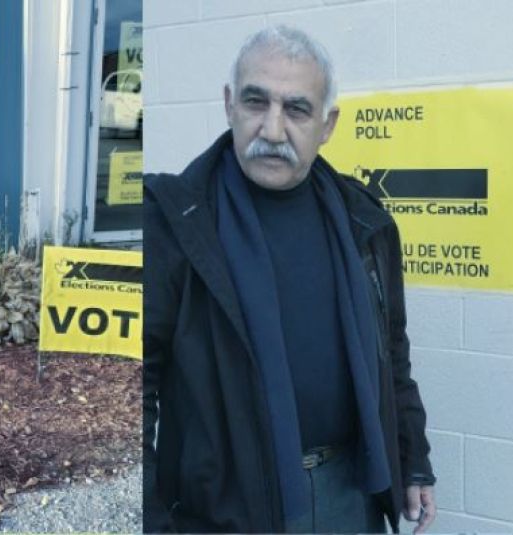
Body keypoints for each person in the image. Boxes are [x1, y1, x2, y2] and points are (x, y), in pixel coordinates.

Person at [143, 25, 436, 533]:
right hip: (227, 508)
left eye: (297, 109)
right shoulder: (174, 222)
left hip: (351, 492)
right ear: (230, 103)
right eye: (257, 102)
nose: (273, 130)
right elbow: (137, 388)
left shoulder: (364, 221)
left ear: (327, 124)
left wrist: (412, 458)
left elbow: (392, 353)